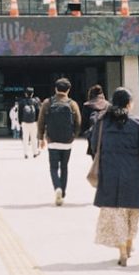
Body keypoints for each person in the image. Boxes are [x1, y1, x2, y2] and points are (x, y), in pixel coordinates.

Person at [89, 87, 139, 267]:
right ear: (128, 103)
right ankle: (129, 243)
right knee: (133, 212)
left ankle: (122, 251)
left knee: (117, 213)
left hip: (110, 173)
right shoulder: (137, 123)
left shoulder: (102, 121)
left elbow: (94, 145)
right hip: (134, 175)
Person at [37, 78, 82, 206]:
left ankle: (57, 187)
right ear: (68, 90)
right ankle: (62, 193)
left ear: (56, 89)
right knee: (64, 167)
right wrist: (74, 136)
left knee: (53, 167)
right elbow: (78, 122)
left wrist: (41, 138)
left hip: (52, 140)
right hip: (67, 141)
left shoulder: (48, 102)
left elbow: (41, 121)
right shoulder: (72, 104)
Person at [17, 87, 41, 159]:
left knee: (25, 138)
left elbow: (20, 113)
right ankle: (35, 153)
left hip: (24, 122)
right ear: (32, 93)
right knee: (34, 138)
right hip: (33, 122)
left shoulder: (21, 102)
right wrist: (37, 121)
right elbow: (38, 112)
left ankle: (26, 153)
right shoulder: (35, 101)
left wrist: (20, 122)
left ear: (25, 94)